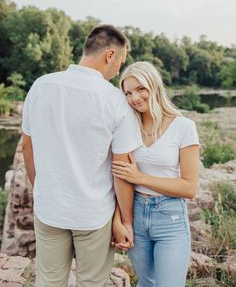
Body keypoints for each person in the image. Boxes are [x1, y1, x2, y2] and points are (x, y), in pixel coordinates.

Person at [22, 25, 143, 287]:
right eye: (120, 63)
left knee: (49, 281)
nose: (117, 71)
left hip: (50, 207)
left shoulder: (41, 86)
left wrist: (40, 187)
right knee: (91, 282)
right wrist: (126, 220)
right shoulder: (114, 100)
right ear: (109, 55)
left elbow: (27, 147)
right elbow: (122, 167)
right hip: (93, 214)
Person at [112, 61, 200, 287]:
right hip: (136, 214)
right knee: (147, 283)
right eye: (128, 93)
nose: (135, 98)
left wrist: (141, 178)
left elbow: (189, 188)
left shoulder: (184, 126)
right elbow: (117, 178)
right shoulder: (126, 126)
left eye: (140, 88)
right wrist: (119, 221)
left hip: (170, 217)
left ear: (154, 85)